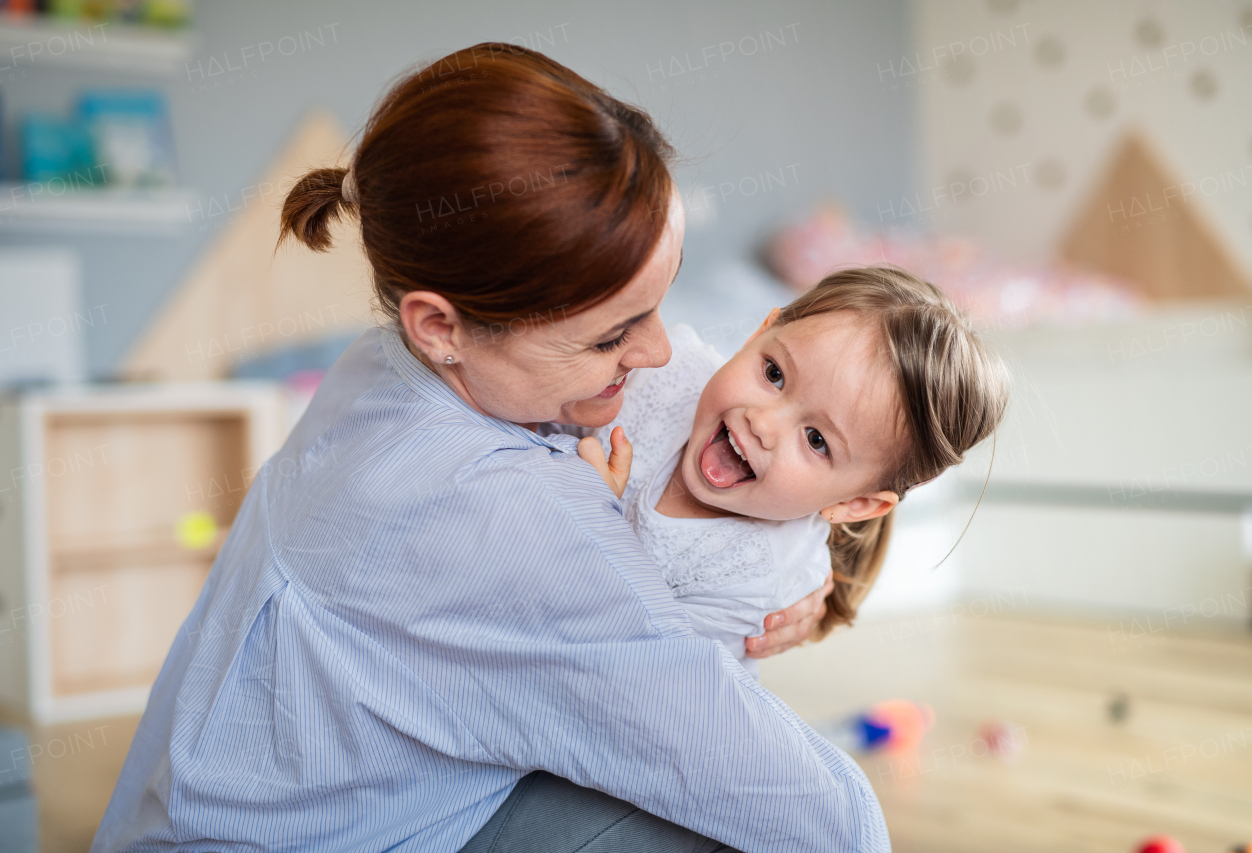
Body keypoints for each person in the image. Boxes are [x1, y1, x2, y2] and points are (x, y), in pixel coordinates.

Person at [91, 44, 884, 853]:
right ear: (441, 327)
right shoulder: (520, 525)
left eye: (657, 305)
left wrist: (766, 560)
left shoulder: (378, 366)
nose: (656, 355)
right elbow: (827, 819)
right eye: (611, 337)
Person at [578, 267, 1010, 679]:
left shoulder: (761, 576)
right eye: (774, 374)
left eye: (816, 440)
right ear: (760, 332)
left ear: (854, 504)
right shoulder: (662, 372)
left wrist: (588, 518)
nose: (762, 423)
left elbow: (617, 658)